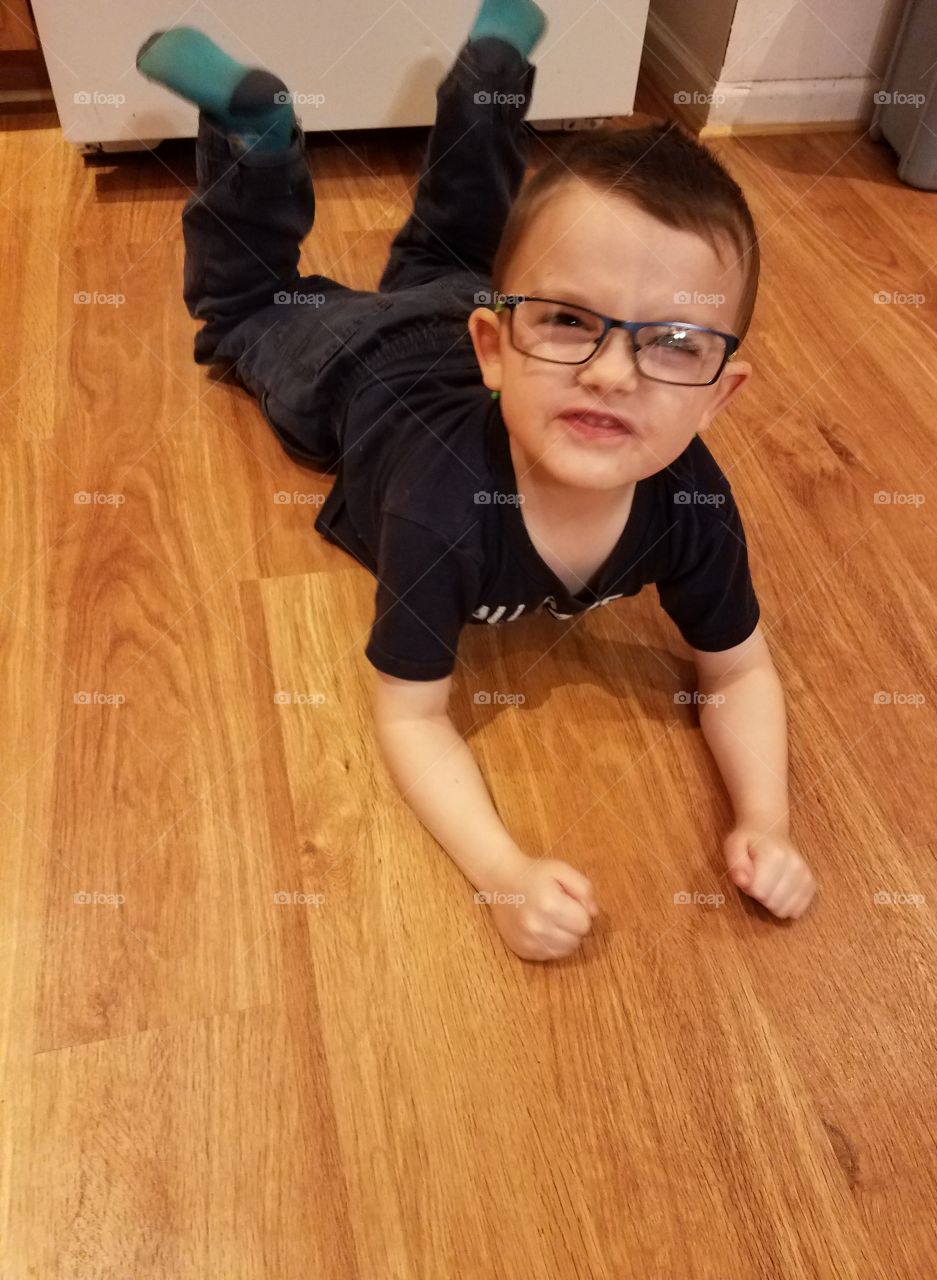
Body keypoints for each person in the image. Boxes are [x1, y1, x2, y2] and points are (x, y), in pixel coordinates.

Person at [136, 0, 816, 962]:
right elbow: (410, 717)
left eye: (671, 343)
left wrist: (769, 817)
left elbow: (740, 665)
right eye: (576, 321)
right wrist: (500, 871)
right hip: (357, 363)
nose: (614, 375)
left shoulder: (692, 497)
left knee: (459, 252)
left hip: (475, 301)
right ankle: (259, 141)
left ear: (719, 397)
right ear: (493, 348)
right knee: (247, 310)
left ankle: (487, 82)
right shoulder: (443, 510)